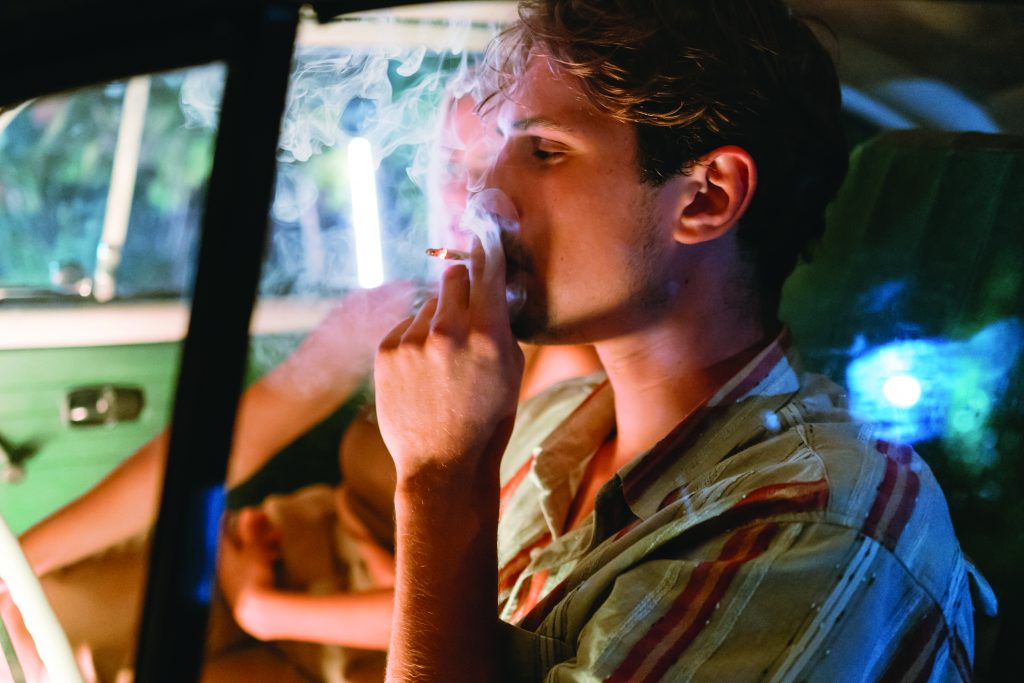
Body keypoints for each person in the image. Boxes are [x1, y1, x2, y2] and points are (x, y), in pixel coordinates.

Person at [372, 1, 989, 681]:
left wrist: (438, 477)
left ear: (706, 198)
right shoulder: (553, 424)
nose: (483, 200)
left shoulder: (811, 524)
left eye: (545, 151)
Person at [0, 76, 600, 682]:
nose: (457, 193)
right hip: (284, 548)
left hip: (389, 641)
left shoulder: (568, 377)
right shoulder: (396, 308)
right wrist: (18, 564)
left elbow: (502, 607)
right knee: (42, 605)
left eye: (488, 164)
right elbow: (231, 440)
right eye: (448, 163)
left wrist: (268, 611)